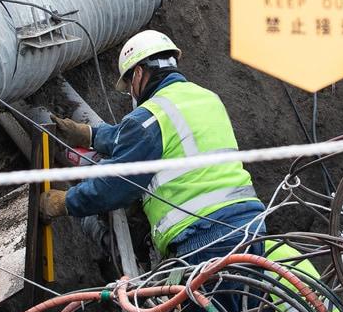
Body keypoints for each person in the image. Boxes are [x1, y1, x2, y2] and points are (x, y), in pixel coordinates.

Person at [38, 28, 266, 265]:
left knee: (206, 302)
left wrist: (65, 202)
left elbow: (116, 185)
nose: (131, 93)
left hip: (203, 234)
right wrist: (89, 134)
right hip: (250, 227)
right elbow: (139, 136)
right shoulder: (207, 98)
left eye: (128, 86)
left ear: (138, 74)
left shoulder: (150, 116)